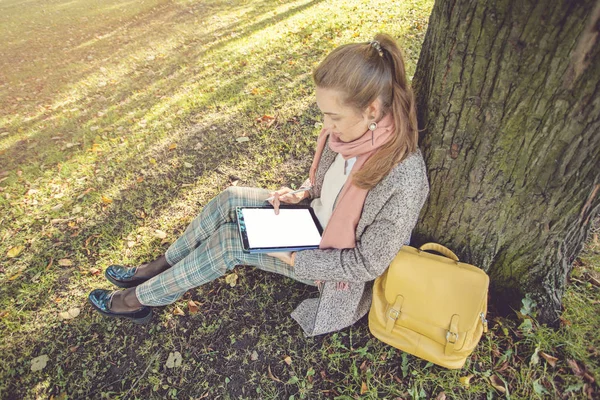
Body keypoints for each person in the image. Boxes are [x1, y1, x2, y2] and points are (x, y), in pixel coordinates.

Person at [88, 33, 429, 336]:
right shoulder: (347, 135)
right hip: (307, 222)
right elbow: (327, 188)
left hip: (327, 260)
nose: (325, 125)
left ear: (371, 110)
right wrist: (302, 193)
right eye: (323, 113)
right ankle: (161, 266)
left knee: (231, 242)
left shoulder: (403, 176)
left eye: (333, 117)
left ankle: (139, 300)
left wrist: (292, 257)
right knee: (231, 198)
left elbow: (367, 265)